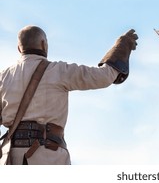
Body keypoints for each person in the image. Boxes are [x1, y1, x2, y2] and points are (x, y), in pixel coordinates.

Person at [0, 25, 138, 164]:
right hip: (47, 156)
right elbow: (104, 76)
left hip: (10, 158)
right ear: (44, 44)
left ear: (19, 48)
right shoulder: (59, 71)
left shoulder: (3, 77)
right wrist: (122, 45)